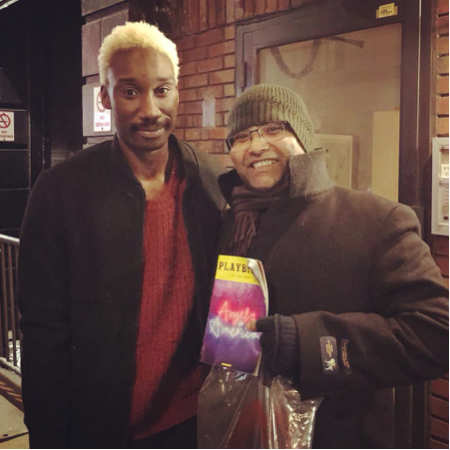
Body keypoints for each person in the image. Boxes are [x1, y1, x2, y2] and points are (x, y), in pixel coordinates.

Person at [18, 22, 225, 450]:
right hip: (97, 429)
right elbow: (43, 335)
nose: (150, 109)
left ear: (177, 92)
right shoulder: (61, 191)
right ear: (105, 96)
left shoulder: (214, 181)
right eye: (130, 91)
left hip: (194, 421)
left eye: (162, 90)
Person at [217, 84, 450, 449]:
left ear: (304, 138)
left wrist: (308, 343)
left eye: (274, 129)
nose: (257, 145)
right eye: (242, 136)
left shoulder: (378, 221)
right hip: (240, 430)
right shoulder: (231, 225)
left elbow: (437, 334)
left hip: (342, 436)